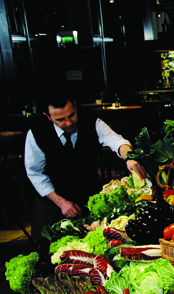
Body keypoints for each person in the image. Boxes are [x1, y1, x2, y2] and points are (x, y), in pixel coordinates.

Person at [24, 92, 147, 238]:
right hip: (51, 204)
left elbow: (116, 141)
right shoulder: (36, 133)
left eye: (71, 115)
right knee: (46, 250)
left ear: (75, 106)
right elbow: (35, 173)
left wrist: (129, 158)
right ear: (47, 116)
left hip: (86, 197)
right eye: (60, 119)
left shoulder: (93, 122)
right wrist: (61, 202)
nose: (69, 122)